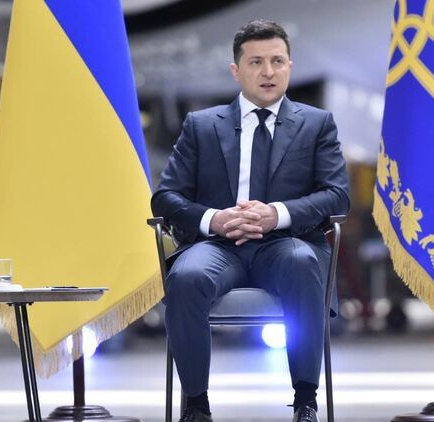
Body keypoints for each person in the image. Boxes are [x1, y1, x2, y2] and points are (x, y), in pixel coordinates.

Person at [151, 19, 350, 422]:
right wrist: (214, 219)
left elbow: (337, 194)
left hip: (286, 243)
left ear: (290, 66)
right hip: (217, 246)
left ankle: (306, 401)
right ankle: (196, 405)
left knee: (303, 263)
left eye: (277, 61)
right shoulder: (201, 125)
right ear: (236, 71)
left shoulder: (316, 124)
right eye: (256, 62)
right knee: (186, 277)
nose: (268, 71)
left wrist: (277, 214)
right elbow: (165, 197)